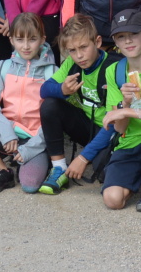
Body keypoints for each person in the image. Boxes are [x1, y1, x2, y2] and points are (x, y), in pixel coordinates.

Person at [69, 10, 141, 212]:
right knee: (113, 200)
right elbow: (120, 127)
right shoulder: (114, 71)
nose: (128, 41)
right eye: (121, 37)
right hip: (130, 141)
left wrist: (126, 112)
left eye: (134, 34)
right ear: (115, 42)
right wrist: (125, 103)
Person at [0, 13, 59, 194]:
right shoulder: (3, 66)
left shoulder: (53, 72)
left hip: (34, 139)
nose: (26, 46)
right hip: (5, 132)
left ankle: (26, 159)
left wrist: (30, 149)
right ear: (12, 40)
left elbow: (54, 120)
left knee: (30, 185)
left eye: (32, 39)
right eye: (20, 40)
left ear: (42, 39)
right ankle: (2, 169)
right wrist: (6, 131)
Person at [38, 13, 118, 195]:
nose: (79, 55)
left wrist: (83, 157)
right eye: (72, 50)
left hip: (113, 131)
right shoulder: (71, 64)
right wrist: (62, 90)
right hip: (88, 128)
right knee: (50, 105)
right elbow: (44, 90)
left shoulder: (113, 67)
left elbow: (115, 123)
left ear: (97, 42)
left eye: (83, 47)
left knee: (105, 174)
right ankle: (59, 168)